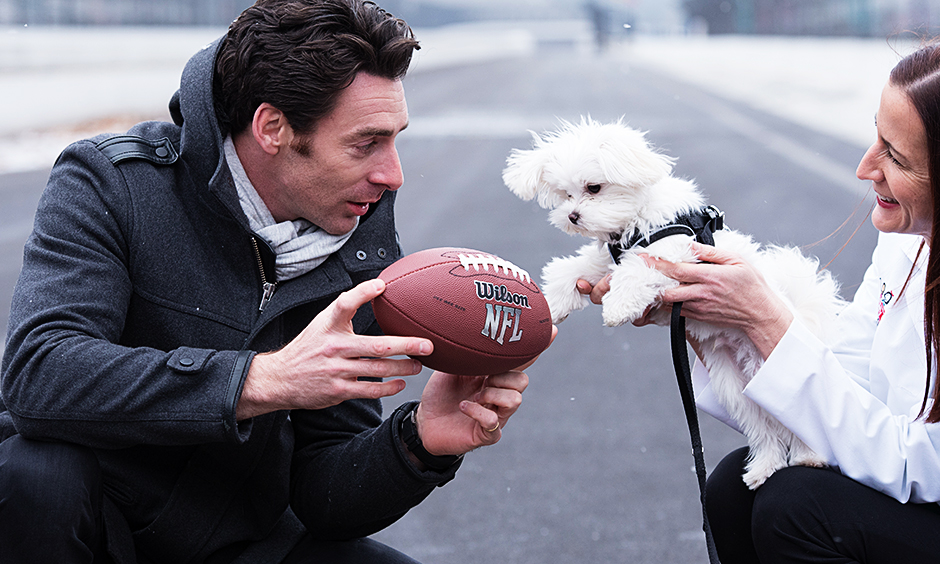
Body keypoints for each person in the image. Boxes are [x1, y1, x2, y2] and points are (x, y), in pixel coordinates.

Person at [0, 1, 550, 563]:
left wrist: (419, 443)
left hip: (241, 545)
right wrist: (260, 381)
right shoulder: (113, 183)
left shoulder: (362, 252)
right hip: (94, 528)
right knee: (37, 475)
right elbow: (39, 373)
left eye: (395, 139)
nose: (393, 174)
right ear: (273, 128)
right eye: (366, 144)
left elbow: (325, 499)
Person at [579, 44, 940, 562]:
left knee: (796, 507)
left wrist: (762, 315)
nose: (865, 168)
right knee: (734, 487)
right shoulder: (905, 244)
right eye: (876, 136)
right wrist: (707, 319)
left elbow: (917, 467)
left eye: (897, 157)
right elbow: (845, 389)